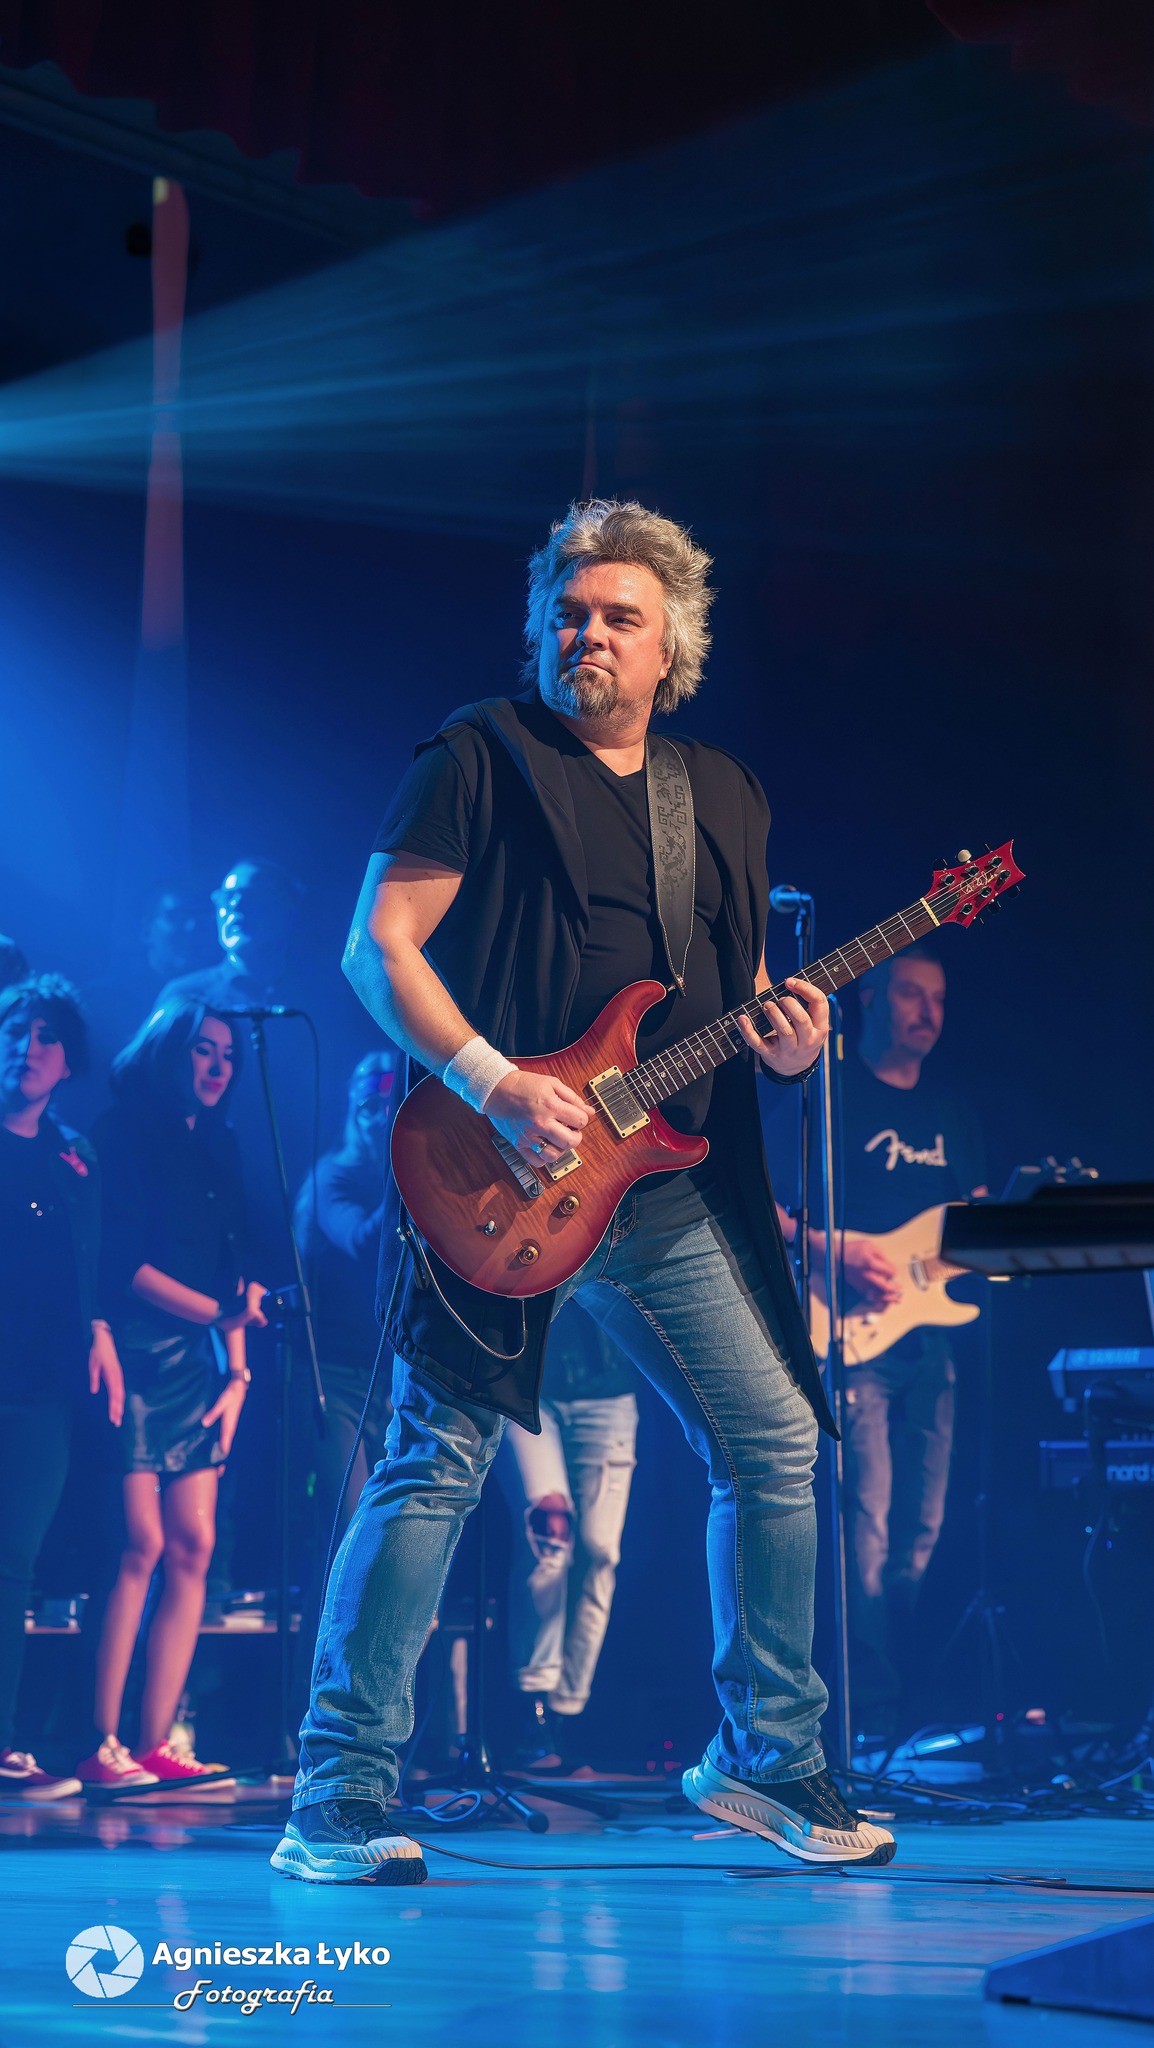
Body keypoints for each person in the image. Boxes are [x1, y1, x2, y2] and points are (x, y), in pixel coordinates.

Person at [273, 498, 896, 1885]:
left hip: (657, 1186)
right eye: (569, 614)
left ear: (674, 645)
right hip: (493, 1168)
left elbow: (731, 991)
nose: (589, 636)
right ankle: (338, 1791)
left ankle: (765, 1754)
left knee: (774, 1444)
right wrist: (496, 1081)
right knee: (436, 1460)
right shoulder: (477, 753)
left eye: (620, 616)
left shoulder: (720, 793)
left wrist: (789, 1043)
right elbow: (377, 947)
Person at [74, 999, 268, 1792]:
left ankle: (157, 1743)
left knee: (194, 1545)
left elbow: (237, 1268)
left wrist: (238, 1373)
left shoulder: (221, 1143)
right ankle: (100, 1742)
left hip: (200, 1360)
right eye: (202, 1050)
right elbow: (123, 1266)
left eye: (228, 1053)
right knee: (141, 1544)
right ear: (168, 1052)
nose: (218, 1066)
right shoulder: (121, 1132)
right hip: (132, 1349)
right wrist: (221, 1318)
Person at [805, 947, 986, 1746]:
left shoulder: (952, 1113)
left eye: (939, 999)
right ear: (871, 999)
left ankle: (911, 1703)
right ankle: (868, 1717)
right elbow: (768, 1206)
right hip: (853, 1333)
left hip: (932, 1339)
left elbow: (973, 1218)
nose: (928, 1013)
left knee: (924, 1526)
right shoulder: (831, 1098)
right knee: (866, 1527)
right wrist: (832, 1249)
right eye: (912, 994)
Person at [0, 977, 124, 1800]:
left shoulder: (74, 1157)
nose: (28, 1045)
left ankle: (4, 1745)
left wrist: (101, 1333)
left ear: (69, 1061)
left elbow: (92, 1265)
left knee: (14, 1559)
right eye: (16, 1028)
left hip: (40, 1384)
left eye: (46, 1035)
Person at [497, 1299, 637, 1771]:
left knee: (599, 1553)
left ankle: (567, 1711)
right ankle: (532, 1711)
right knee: (549, 1536)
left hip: (608, 1388)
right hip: (522, 1377)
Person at [293, 1051, 397, 1621]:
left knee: (390, 1532)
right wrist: (408, 1175)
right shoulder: (331, 1177)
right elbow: (358, 1240)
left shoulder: (392, 1174)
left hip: (387, 1374)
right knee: (350, 1525)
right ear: (352, 1107)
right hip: (333, 1380)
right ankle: (320, 1657)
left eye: (391, 1104)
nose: (380, 1117)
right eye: (370, 1105)